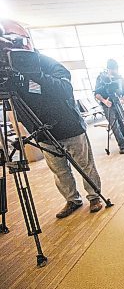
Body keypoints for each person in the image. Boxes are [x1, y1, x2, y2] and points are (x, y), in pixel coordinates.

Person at [0, 19, 103, 218]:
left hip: (69, 127)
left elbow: (65, 90)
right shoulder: (10, 72)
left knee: (84, 165)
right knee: (60, 171)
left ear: (27, 42)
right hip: (42, 131)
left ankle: (94, 197)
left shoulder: (47, 63)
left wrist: (36, 75)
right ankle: (72, 199)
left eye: (16, 41)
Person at [94, 59, 124, 154]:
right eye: (111, 69)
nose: (113, 71)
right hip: (107, 105)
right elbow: (97, 94)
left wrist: (122, 100)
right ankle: (122, 144)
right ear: (108, 69)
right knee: (114, 124)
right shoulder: (101, 78)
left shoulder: (120, 78)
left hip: (118, 103)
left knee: (122, 123)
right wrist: (104, 101)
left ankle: (123, 141)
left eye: (115, 69)